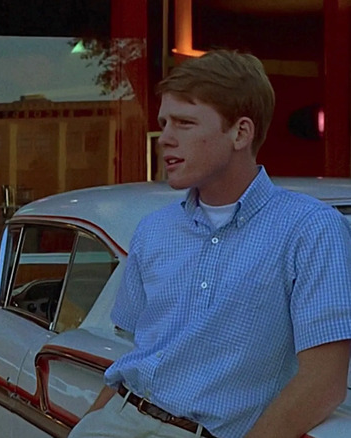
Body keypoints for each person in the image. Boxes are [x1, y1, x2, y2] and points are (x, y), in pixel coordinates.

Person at [69, 50, 351, 438]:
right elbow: (137, 352)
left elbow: (324, 383)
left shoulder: (311, 229)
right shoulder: (154, 229)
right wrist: (90, 424)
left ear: (240, 132)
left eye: (184, 123)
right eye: (164, 122)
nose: (165, 138)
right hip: (115, 417)